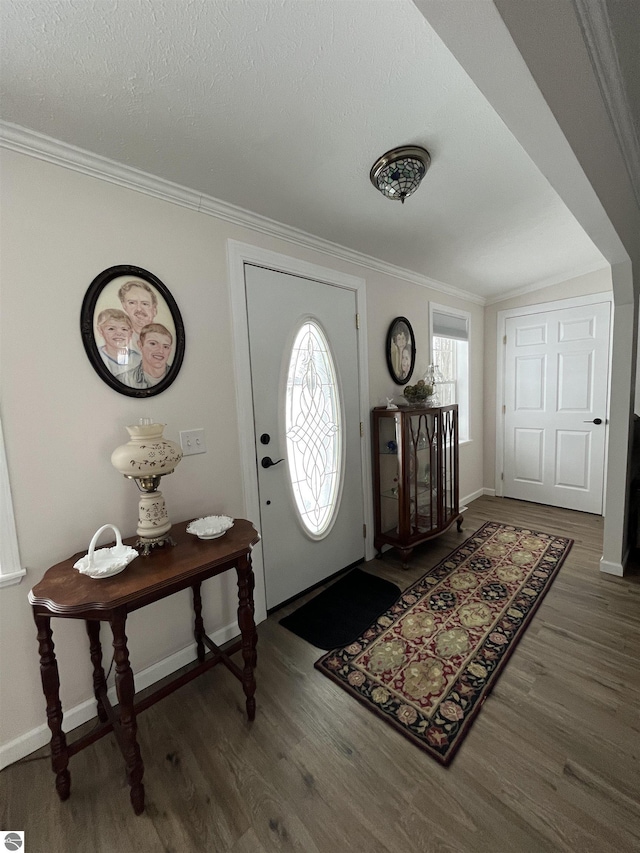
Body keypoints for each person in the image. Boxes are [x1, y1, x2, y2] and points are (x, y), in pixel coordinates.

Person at [119, 323, 173, 389]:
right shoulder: (123, 379)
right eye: (153, 344)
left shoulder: (178, 377)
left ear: (170, 350)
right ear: (140, 345)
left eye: (165, 346)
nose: (161, 351)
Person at [95, 308, 141, 376]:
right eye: (111, 328)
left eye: (124, 329)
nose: (119, 333)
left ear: (131, 333)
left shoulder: (138, 358)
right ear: (101, 331)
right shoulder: (98, 355)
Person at [118, 279, 158, 346]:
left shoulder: (164, 338)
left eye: (145, 304)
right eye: (132, 303)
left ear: (154, 309)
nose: (139, 309)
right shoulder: (118, 338)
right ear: (124, 306)